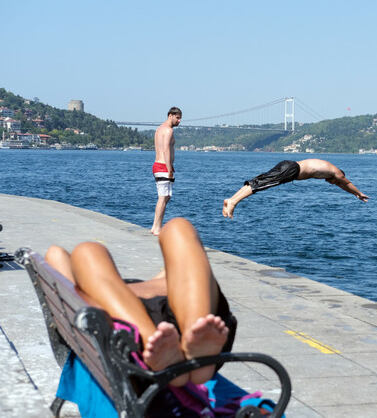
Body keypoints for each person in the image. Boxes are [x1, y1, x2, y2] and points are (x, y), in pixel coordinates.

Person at [44, 218, 236, 387]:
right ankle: (193, 343)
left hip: (132, 327)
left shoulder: (100, 287)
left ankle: (166, 348)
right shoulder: (164, 281)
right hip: (174, 317)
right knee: (177, 227)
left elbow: (55, 255)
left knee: (86, 251)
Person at [222, 158, 369, 219]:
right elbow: (346, 183)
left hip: (289, 167)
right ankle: (234, 202)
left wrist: (353, 195)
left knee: (259, 182)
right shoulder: (336, 172)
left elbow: (342, 186)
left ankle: (231, 200)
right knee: (260, 184)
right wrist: (359, 193)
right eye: (335, 181)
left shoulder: (329, 171)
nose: (334, 183)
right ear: (340, 174)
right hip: (292, 170)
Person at [151, 107, 182, 235]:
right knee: (163, 198)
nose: (179, 121)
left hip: (159, 165)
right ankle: (156, 227)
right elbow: (166, 150)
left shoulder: (159, 129)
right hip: (163, 166)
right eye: (177, 118)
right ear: (170, 115)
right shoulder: (168, 131)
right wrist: (169, 169)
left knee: (167, 196)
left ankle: (156, 225)